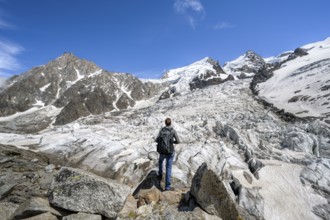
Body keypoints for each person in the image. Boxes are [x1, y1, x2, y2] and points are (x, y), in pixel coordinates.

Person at [155, 118, 180, 191]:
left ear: (165, 123)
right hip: (170, 151)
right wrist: (172, 142)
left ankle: (160, 175)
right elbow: (178, 141)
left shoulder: (162, 130)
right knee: (168, 168)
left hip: (162, 151)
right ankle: (167, 187)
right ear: (170, 123)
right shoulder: (173, 131)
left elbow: (156, 140)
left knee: (160, 161)